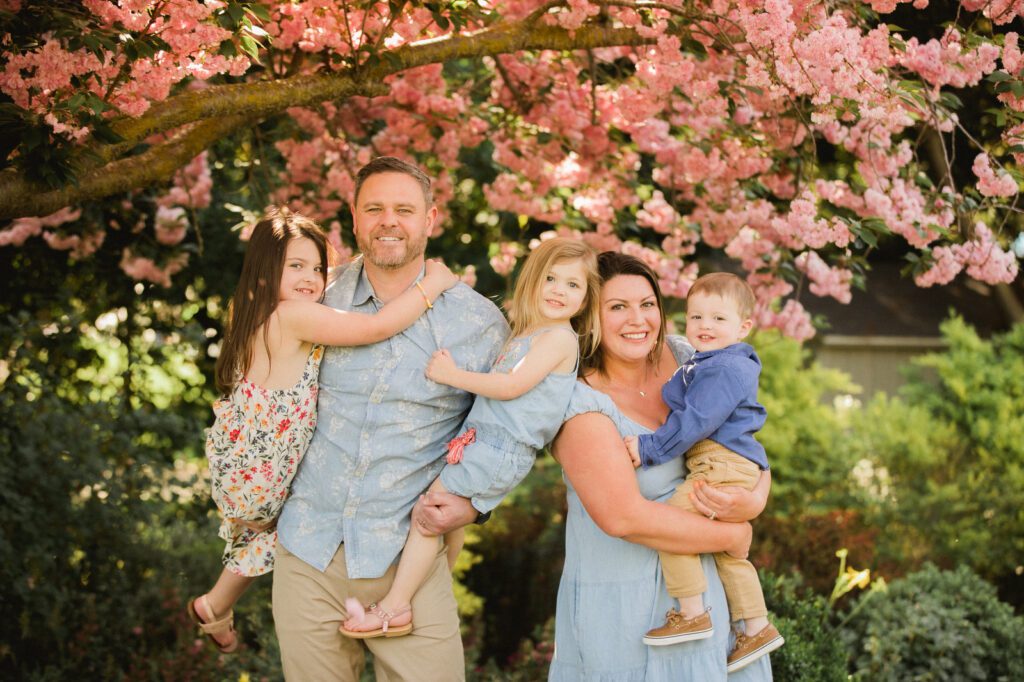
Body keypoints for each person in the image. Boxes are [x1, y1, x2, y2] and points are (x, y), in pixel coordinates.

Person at [272, 157, 509, 680]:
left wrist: (474, 505)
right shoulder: (317, 300)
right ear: (353, 217)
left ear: (430, 218)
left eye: (405, 209)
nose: (389, 221)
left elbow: (504, 433)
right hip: (310, 548)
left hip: (410, 558)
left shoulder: (479, 322)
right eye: (374, 208)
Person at [186, 207, 457, 653]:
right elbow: (375, 326)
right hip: (260, 471)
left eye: (316, 267)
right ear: (263, 271)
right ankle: (215, 605)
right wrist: (433, 284)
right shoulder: (292, 316)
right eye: (295, 266)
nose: (311, 277)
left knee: (262, 536)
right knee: (297, 527)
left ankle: (215, 606)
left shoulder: (258, 312)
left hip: (242, 461)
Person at [341, 237, 601, 639]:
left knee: (428, 516)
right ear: (533, 281)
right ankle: (432, 590)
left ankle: (397, 605)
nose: (559, 291)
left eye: (573, 285)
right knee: (447, 521)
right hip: (481, 443)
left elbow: (512, 387)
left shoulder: (560, 339)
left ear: (585, 300)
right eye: (551, 278)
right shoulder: (531, 332)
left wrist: (450, 375)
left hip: (498, 449)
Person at [547, 252, 774, 681]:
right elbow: (622, 517)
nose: (638, 319)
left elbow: (743, 444)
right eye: (617, 307)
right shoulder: (577, 400)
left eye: (647, 304)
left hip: (708, 601)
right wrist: (734, 533)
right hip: (625, 610)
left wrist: (754, 499)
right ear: (589, 316)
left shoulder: (691, 359)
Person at [622, 272, 783, 672]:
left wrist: (649, 447)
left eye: (718, 319)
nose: (705, 327)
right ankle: (756, 625)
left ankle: (692, 610)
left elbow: (698, 420)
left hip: (719, 460)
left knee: (674, 526)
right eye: (696, 317)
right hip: (728, 461)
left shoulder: (724, 369)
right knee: (727, 554)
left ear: (744, 327)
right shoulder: (705, 361)